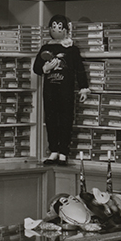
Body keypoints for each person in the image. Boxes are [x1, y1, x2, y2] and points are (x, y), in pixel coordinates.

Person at [33, 14, 90, 165]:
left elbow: (80, 70)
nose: (56, 30)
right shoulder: (45, 48)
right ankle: (53, 151)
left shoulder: (72, 50)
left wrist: (84, 88)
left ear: (66, 29)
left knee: (66, 120)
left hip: (66, 91)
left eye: (59, 27)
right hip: (50, 91)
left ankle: (64, 151)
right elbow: (36, 68)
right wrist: (45, 68)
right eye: (53, 27)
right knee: (51, 119)